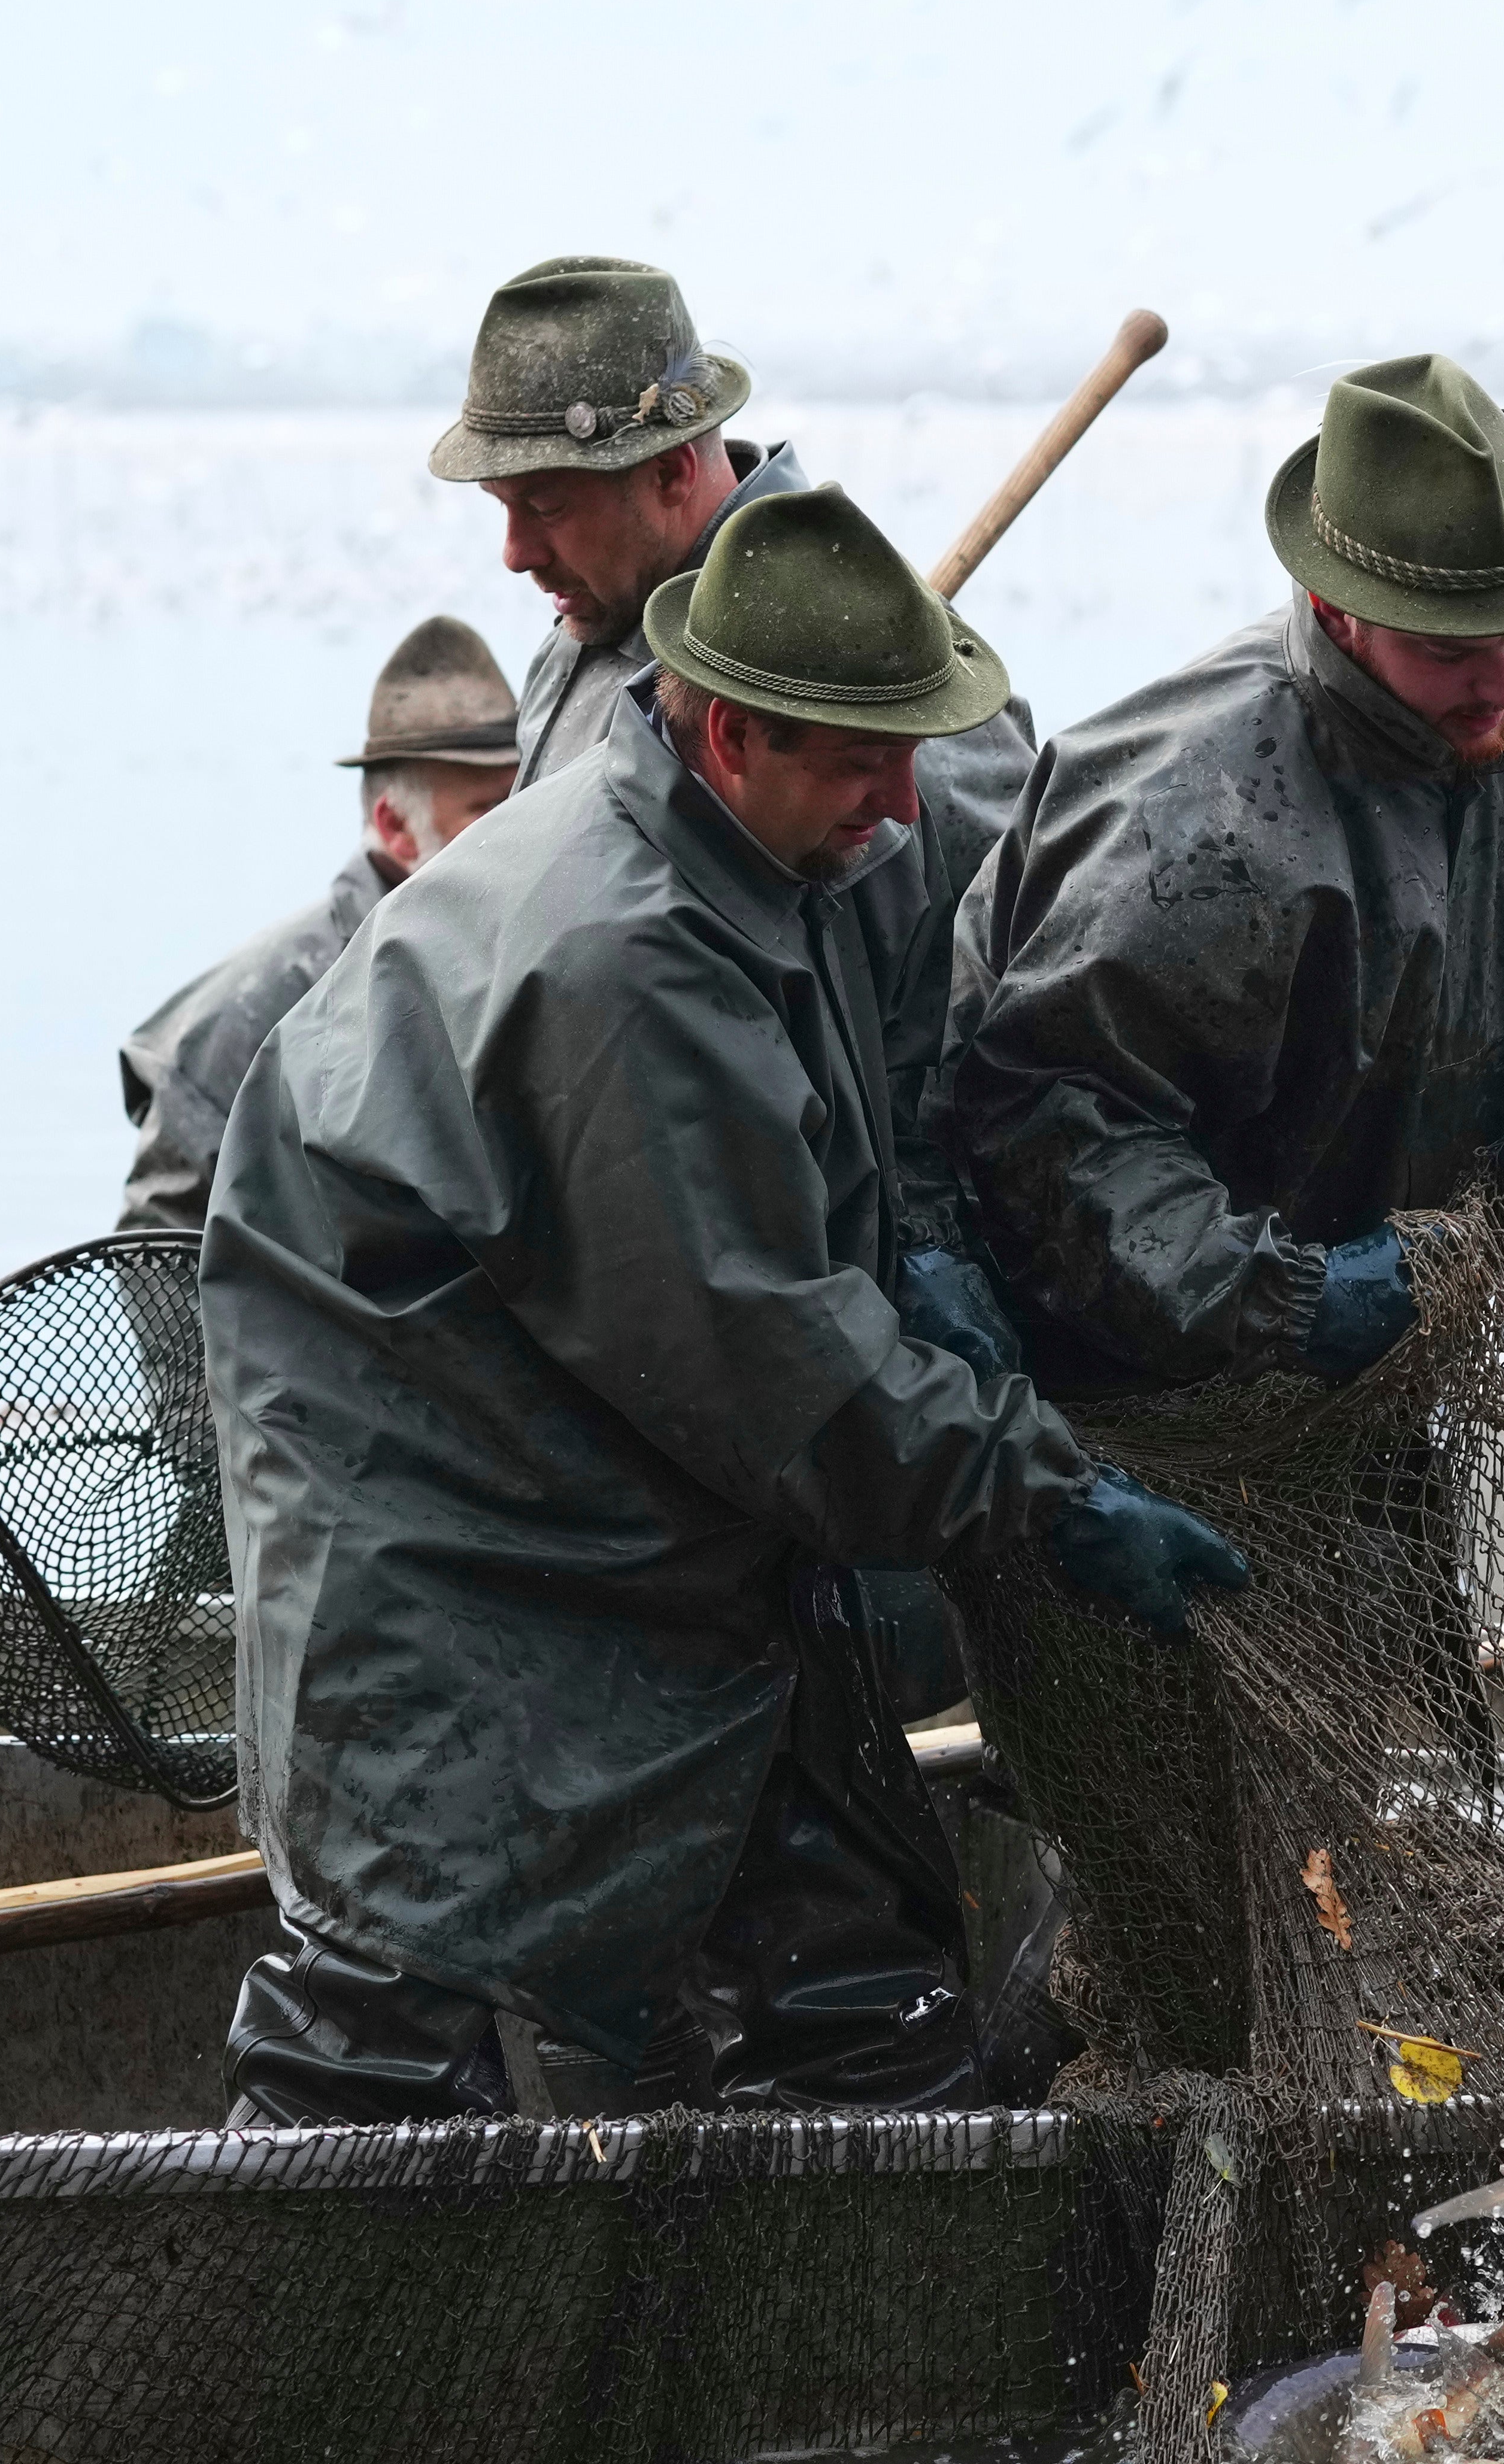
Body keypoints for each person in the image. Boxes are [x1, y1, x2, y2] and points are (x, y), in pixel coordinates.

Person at [204, 485, 1250, 2126]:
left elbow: (870, 1136)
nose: (905, 803)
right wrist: (1056, 1493)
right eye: (862, 760)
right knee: (421, 2002)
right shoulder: (619, 956)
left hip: (634, 1473)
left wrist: (923, 1255)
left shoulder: (779, 850)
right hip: (444, 1522)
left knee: (855, 1994)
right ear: (732, 729)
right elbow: (789, 1382)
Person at [943, 353, 1504, 1396]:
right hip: (1127, 1373)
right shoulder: (1199, 821)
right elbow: (1047, 1129)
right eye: (1451, 646)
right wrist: (1294, 1298)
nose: (1502, 679)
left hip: (1384, 1364)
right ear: (1340, 612)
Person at [428, 254, 1026, 1277]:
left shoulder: (860, 660)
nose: (516, 553)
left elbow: (988, 998)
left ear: (669, 472)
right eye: (503, 508)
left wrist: (921, 1253)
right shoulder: (579, 638)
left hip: (799, 1244)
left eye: (547, 505)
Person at [116, 618, 518, 1230]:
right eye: (486, 810)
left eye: (525, 801)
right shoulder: (252, 1014)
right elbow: (161, 1242)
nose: (517, 831)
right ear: (394, 826)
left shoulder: (529, 962)